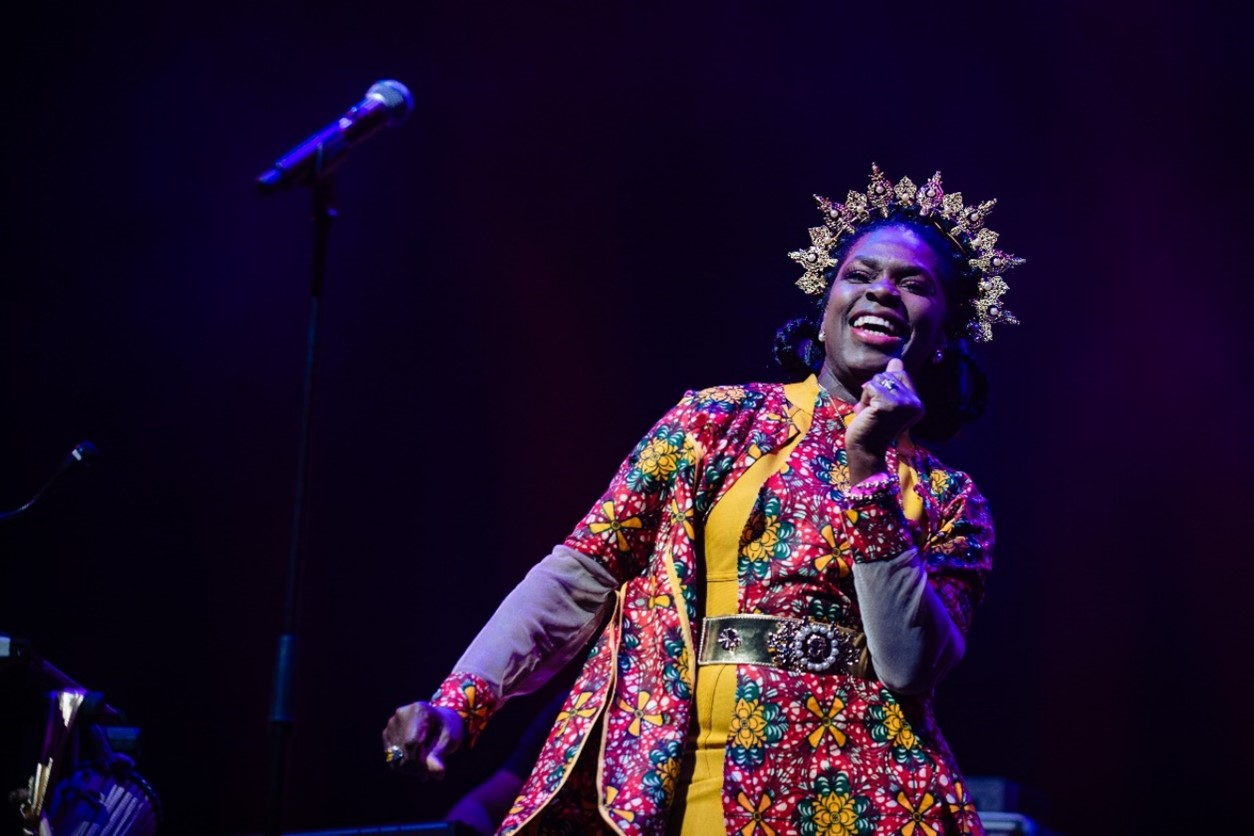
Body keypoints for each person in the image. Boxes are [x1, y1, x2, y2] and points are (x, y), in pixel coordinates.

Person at [383, 163, 1022, 835]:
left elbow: (909, 666)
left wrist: (868, 471)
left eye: (913, 284)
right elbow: (578, 576)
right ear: (825, 309)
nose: (882, 290)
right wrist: (461, 701)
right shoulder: (715, 423)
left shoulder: (952, 502)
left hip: (876, 804)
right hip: (693, 794)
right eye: (859, 275)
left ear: (945, 335)